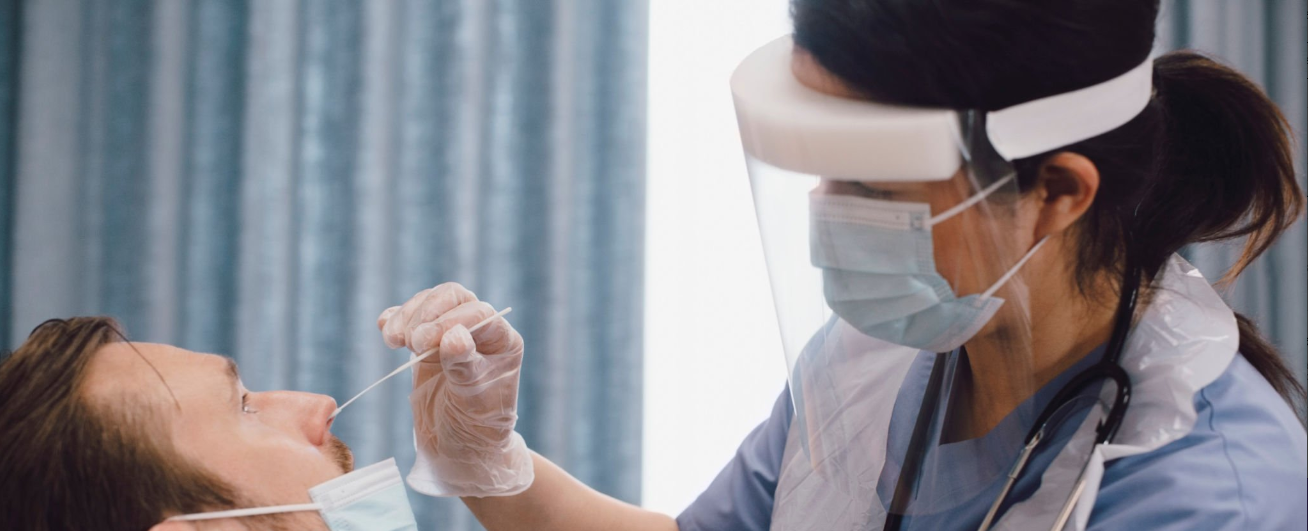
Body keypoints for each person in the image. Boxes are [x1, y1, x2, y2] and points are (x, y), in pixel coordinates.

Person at [369, 1, 1308, 530]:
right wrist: (493, 466)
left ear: (1057, 191)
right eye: (823, 163)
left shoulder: (1209, 496)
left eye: (873, 178)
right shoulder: (888, 352)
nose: (827, 214)